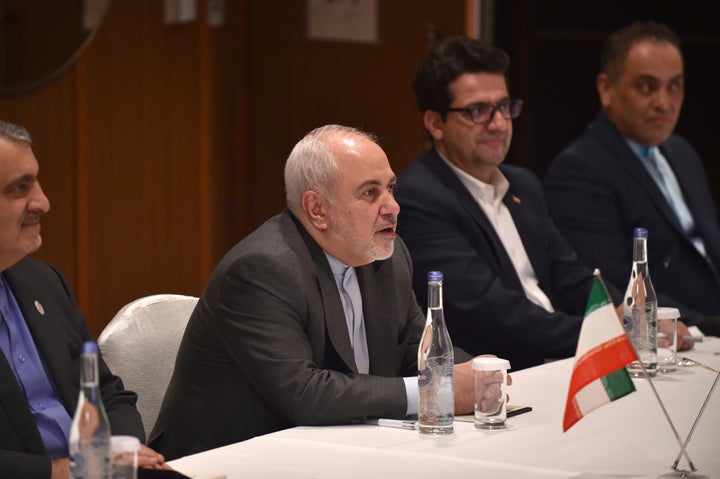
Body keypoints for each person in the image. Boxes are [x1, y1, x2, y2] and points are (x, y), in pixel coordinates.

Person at [149, 124, 503, 460]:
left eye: (391, 188)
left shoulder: (387, 258)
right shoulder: (261, 270)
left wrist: (476, 375)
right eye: (370, 192)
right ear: (317, 209)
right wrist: (434, 392)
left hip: (332, 449)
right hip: (226, 461)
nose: (392, 206)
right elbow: (304, 392)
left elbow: (415, 349)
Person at [394, 36, 624, 372]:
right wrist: (602, 333)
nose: (500, 123)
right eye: (478, 111)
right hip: (500, 379)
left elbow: (568, 273)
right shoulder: (419, 198)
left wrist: (622, 312)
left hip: (561, 357)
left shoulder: (523, 184)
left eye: (504, 107)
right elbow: (491, 312)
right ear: (435, 123)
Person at [0, 120, 168, 479]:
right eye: (19, 188)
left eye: (37, 181)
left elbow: (107, 392)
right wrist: (62, 471)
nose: (43, 202)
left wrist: (121, 449)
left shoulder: (43, 282)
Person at [544, 21, 720, 338]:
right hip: (675, 335)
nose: (664, 103)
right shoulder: (578, 169)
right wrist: (706, 326)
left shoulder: (682, 152)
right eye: (646, 87)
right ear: (606, 89)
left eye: (674, 86)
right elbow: (616, 288)